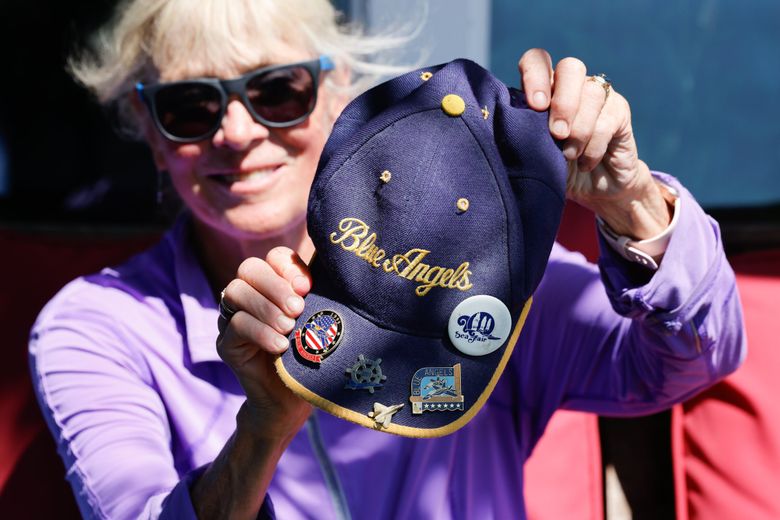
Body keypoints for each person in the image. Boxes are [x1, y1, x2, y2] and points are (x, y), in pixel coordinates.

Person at [28, 0, 745, 518]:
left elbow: (693, 356)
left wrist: (632, 203)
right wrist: (264, 427)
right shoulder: (99, 326)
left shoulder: (474, 271)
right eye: (189, 107)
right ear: (150, 136)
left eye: (278, 91)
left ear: (339, 95)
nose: (238, 132)